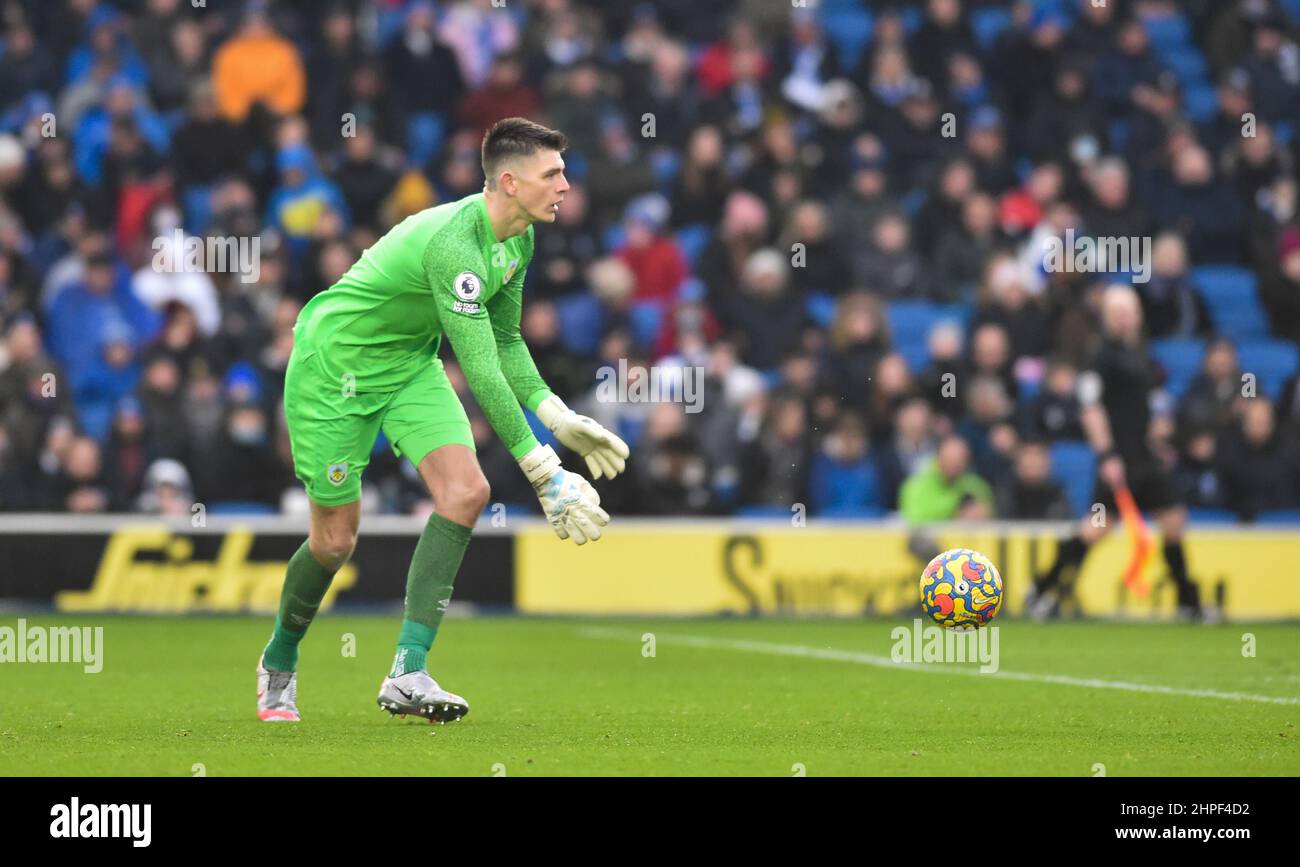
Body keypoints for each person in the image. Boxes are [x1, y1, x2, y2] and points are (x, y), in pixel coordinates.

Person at [256, 118, 630, 723]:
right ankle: (279, 658)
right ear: (509, 182)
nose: (566, 184)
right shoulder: (456, 242)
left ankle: (407, 673)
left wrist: (557, 415)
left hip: (406, 363)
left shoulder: (520, 238)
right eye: (553, 173)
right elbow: (479, 368)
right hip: (334, 368)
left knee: (467, 492)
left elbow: (506, 342)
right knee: (334, 541)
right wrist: (543, 471)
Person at [1029, 285, 1202, 620]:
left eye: (1129, 311)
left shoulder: (1139, 352)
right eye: (1117, 312)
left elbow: (1142, 407)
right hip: (1119, 459)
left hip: (1145, 458)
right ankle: (1043, 587)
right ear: (1107, 317)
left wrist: (1157, 439)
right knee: (1097, 528)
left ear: (1137, 314)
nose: (1124, 318)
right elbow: (1090, 408)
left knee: (1173, 519)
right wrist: (1107, 455)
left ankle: (1188, 602)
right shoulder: (1102, 356)